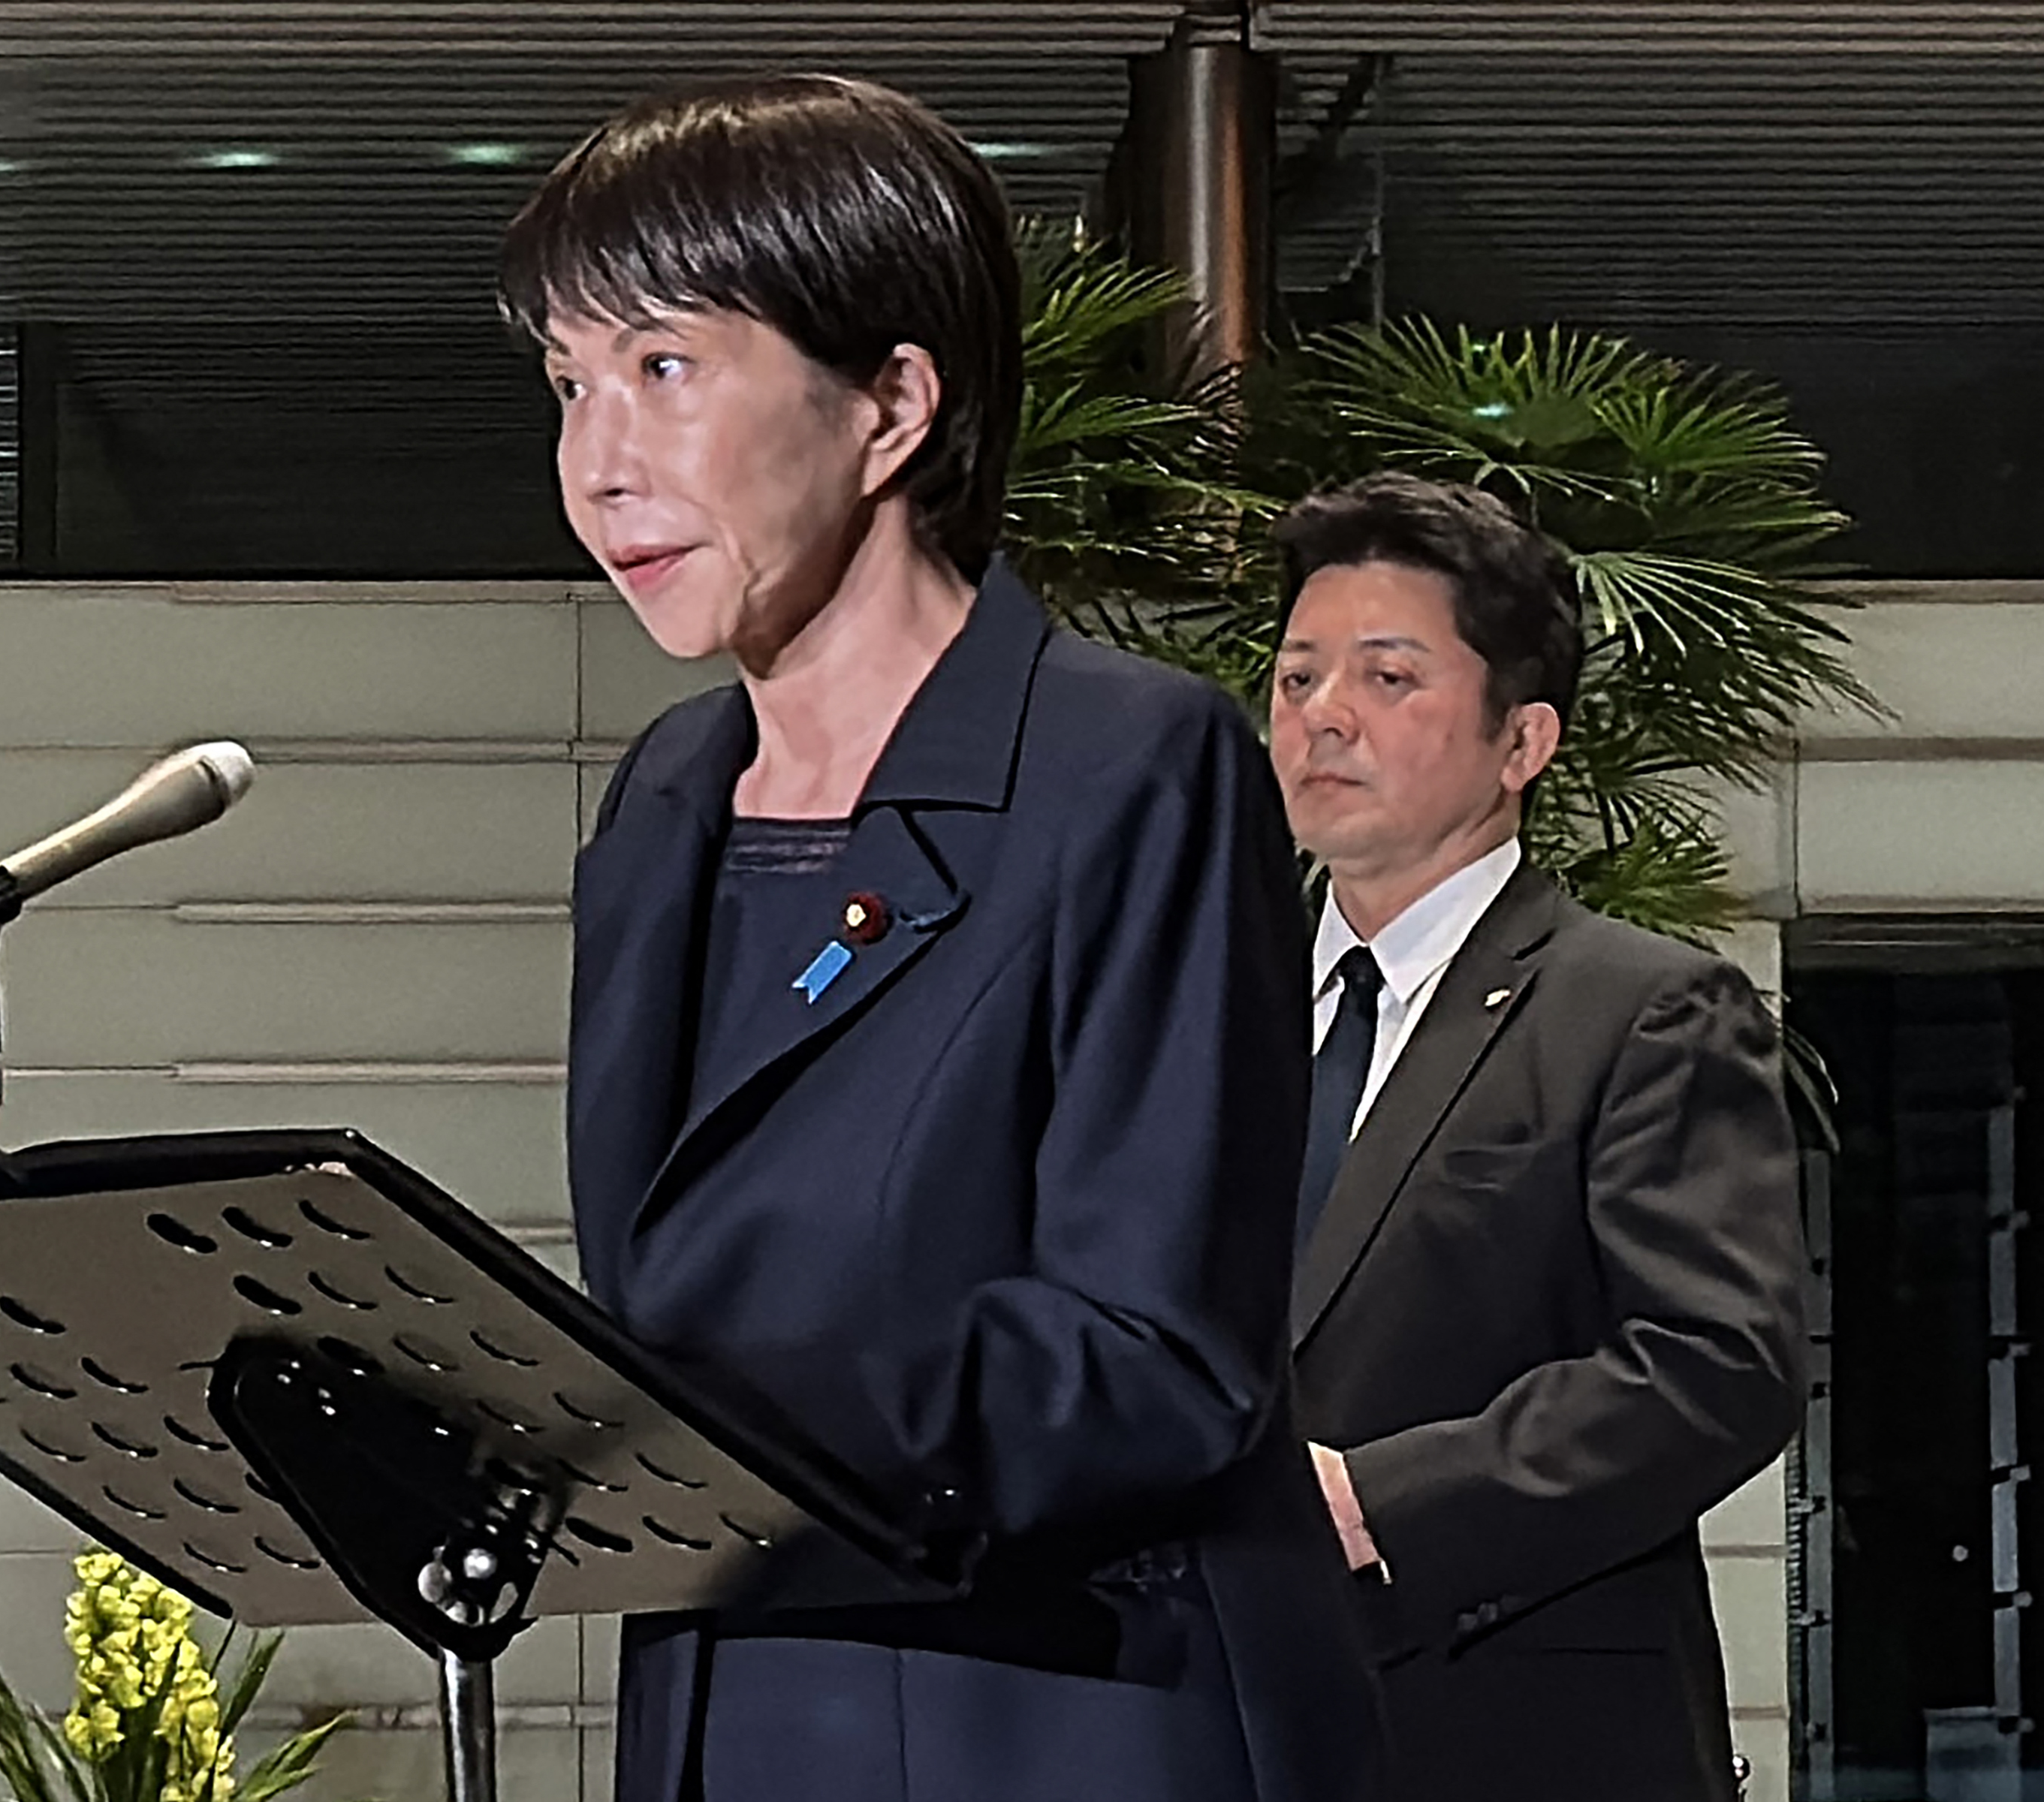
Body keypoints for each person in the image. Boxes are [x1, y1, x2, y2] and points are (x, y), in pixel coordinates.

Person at [499, 72, 1378, 1802]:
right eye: (567, 385)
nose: (598, 465)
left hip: (1064, 1703)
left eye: (664, 369)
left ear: (892, 403)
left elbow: (1158, 1357)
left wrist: (645, 1430)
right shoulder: (670, 799)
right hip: (733, 1686)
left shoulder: (1132, 763)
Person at [1268, 472, 1811, 1802]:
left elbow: (1715, 1367)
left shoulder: (1642, 1010)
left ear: (1524, 743)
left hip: (1519, 1729)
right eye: (1295, 677)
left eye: (1389, 679)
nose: (1324, 715)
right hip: (1223, 1723)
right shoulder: (1207, 1011)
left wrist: (1378, 1503)